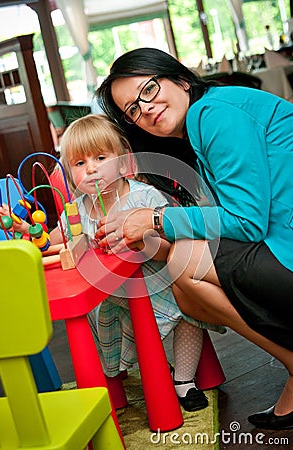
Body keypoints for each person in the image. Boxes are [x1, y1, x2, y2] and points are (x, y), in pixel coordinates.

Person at [95, 47, 293, 430]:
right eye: (132, 109)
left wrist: (155, 219)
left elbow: (246, 223)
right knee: (184, 279)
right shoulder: (206, 119)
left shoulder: (215, 113)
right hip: (281, 242)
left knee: (185, 267)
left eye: (149, 90)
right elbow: (233, 228)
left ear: (180, 79)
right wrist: (155, 233)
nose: (145, 109)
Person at [0, 114, 225, 412]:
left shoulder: (143, 197)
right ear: (69, 173)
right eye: (80, 164)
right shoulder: (76, 210)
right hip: (112, 296)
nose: (92, 169)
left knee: (189, 314)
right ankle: (121, 379)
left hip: (158, 284)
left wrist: (144, 237)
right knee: (97, 321)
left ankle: (183, 381)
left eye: (101, 158)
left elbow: (170, 248)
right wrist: (29, 231)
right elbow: (54, 240)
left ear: (122, 161)